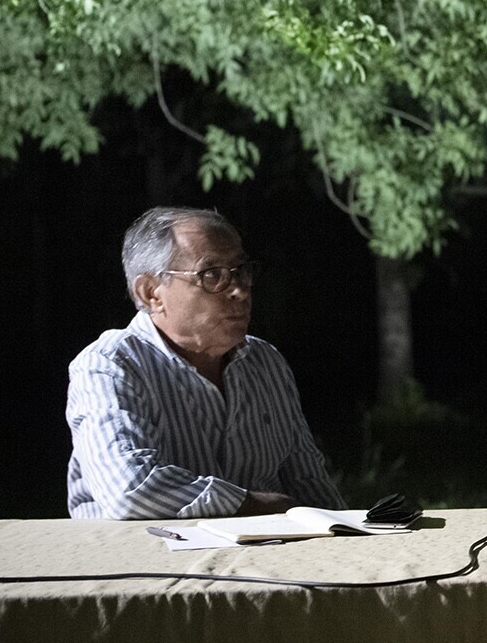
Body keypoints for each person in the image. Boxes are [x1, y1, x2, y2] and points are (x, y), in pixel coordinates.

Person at [66, 207, 343, 519]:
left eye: (241, 271)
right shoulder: (110, 366)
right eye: (212, 275)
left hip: (268, 549)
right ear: (151, 292)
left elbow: (310, 486)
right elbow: (130, 490)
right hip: (148, 551)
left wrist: (347, 530)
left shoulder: (265, 362)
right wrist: (258, 505)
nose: (240, 290)